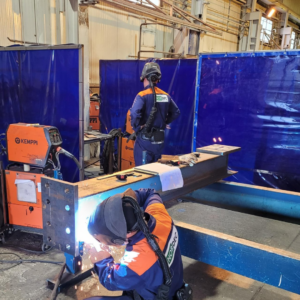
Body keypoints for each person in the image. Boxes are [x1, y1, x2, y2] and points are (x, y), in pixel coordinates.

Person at [85, 188, 191, 300]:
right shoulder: (159, 215)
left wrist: (101, 260)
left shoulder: (137, 261)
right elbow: (150, 193)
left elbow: (111, 281)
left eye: (98, 240)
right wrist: (130, 198)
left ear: (124, 238)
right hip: (171, 285)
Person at [129, 63, 180, 166]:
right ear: (157, 79)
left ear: (145, 78)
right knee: (156, 169)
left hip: (144, 141)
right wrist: (163, 122)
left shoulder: (142, 95)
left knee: (142, 172)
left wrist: (138, 127)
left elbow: (134, 114)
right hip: (159, 141)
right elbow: (176, 112)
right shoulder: (166, 96)